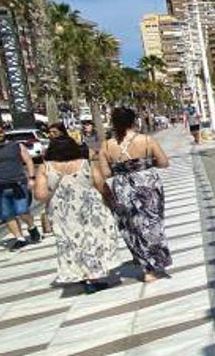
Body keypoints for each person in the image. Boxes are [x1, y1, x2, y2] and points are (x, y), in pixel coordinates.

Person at [33, 134, 121, 292]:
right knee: (93, 239)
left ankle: (84, 276)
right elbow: (101, 185)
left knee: (72, 242)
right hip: (91, 209)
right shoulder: (86, 163)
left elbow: (40, 195)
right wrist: (111, 201)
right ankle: (92, 276)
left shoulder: (45, 168)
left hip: (62, 212)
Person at [99, 107, 172, 282]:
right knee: (152, 222)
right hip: (147, 183)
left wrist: (121, 168)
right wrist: (145, 163)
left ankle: (144, 264)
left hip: (123, 186)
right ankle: (154, 263)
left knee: (131, 226)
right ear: (134, 121)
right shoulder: (146, 140)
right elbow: (164, 162)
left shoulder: (107, 145)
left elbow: (106, 173)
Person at [0, 119, 39, 249]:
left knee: (22, 210)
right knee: (7, 214)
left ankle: (32, 227)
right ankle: (19, 238)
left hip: (19, 183)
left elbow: (28, 161)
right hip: (0, 186)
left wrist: (31, 178)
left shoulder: (16, 145)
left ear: (4, 132)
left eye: (0, 131)